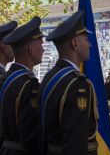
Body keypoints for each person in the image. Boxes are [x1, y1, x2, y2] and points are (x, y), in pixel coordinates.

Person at [39, 10, 98, 155]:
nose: (90, 45)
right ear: (75, 43)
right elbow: (76, 141)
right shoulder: (77, 84)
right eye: (86, 39)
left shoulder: (50, 76)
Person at [0, 16, 44, 155]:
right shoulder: (28, 85)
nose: (43, 50)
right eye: (40, 45)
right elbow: (31, 133)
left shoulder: (5, 78)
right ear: (30, 49)